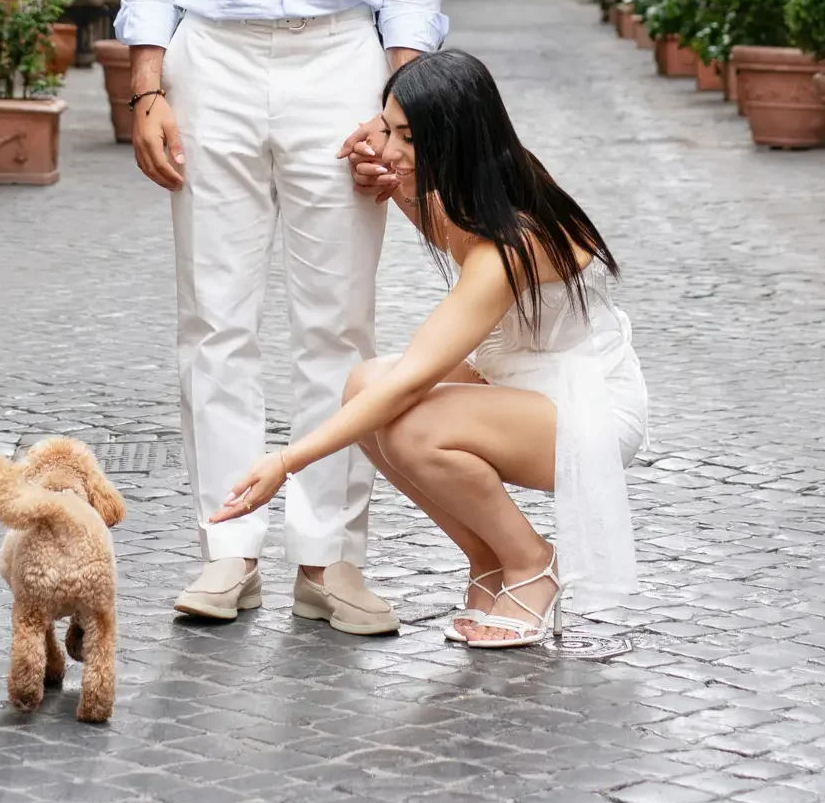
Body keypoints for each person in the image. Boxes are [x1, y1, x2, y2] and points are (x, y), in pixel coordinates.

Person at [118, 0, 445, 635]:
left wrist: (399, 109)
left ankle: (326, 558)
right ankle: (228, 551)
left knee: (336, 321)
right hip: (211, 56)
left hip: (340, 57)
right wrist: (147, 85)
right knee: (213, 319)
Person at [212, 50, 647, 648]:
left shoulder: (511, 244)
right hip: (520, 382)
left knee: (411, 422)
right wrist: (391, 174)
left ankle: (530, 561)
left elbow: (415, 376)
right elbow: (443, 231)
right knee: (364, 386)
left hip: (588, 409)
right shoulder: (487, 186)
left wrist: (286, 462)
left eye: (407, 137)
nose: (389, 147)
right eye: (386, 128)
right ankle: (488, 559)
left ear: (453, 139)